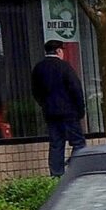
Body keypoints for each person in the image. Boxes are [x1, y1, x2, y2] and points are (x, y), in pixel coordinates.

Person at [32, 40, 87, 176]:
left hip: (51, 113)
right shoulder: (65, 67)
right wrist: (80, 110)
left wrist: (45, 105)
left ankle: (56, 175)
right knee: (79, 143)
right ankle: (74, 170)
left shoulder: (39, 68)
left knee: (56, 144)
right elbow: (76, 89)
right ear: (59, 51)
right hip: (69, 113)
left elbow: (36, 92)